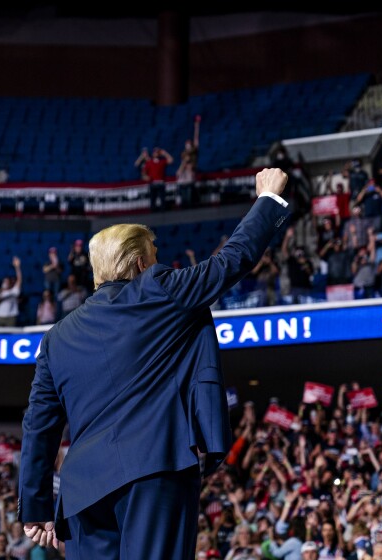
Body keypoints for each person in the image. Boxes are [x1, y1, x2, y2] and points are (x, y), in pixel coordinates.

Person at [18, 168, 289, 558]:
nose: (162, 263)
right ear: (141, 264)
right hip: (153, 470)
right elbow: (231, 261)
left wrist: (36, 507)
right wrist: (267, 200)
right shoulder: (157, 290)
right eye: (156, 256)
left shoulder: (56, 337)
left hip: (82, 494)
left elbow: (38, 425)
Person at [0, 257, 22, 327]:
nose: (5, 283)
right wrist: (1, 294)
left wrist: (17, 267)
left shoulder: (14, 291)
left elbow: (19, 280)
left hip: (11, 317)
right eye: (4, 282)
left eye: (7, 282)